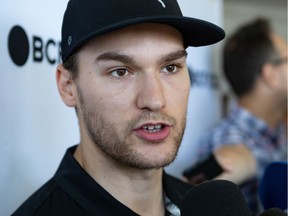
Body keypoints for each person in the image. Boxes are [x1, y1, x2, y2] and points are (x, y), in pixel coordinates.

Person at [12, 0, 225, 215]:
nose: (155, 100)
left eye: (170, 68)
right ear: (68, 87)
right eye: (120, 72)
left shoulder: (202, 208)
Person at [183, 18, 287, 213]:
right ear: (270, 74)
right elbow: (188, 191)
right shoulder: (228, 138)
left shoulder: (278, 128)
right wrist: (245, 161)